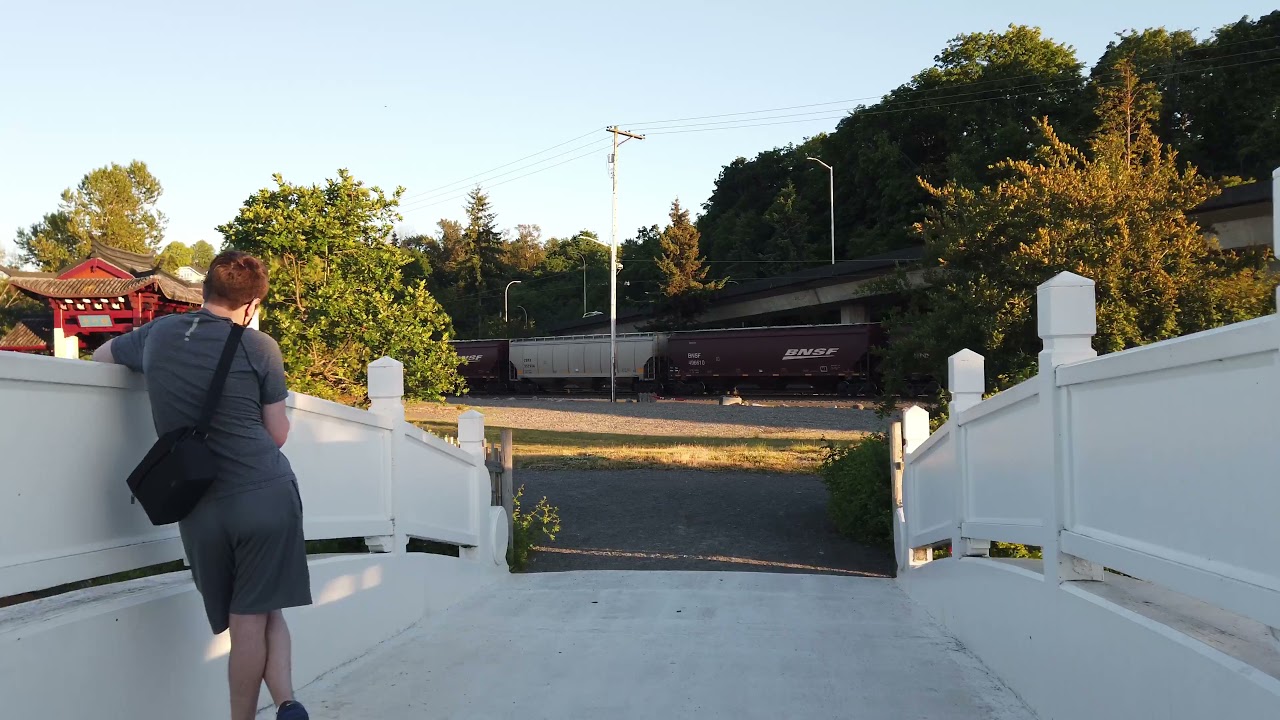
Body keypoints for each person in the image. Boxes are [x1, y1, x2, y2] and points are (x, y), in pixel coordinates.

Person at [93, 250, 312, 720]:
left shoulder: (160, 334)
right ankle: (276, 708)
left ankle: (288, 704)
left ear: (204, 291)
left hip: (199, 504)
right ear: (252, 305)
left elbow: (103, 354)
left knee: (258, 609)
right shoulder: (260, 348)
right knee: (255, 613)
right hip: (266, 495)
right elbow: (277, 434)